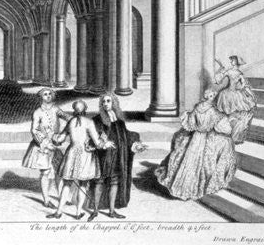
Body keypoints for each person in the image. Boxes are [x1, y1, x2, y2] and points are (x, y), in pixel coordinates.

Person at [154, 89, 237, 200]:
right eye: (213, 96)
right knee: (205, 160)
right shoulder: (213, 111)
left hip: (195, 137)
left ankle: (182, 186)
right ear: (211, 97)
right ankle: (194, 188)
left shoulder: (198, 108)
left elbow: (190, 123)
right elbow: (223, 127)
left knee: (189, 161)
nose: (213, 97)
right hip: (205, 137)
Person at [89, 91, 145, 220]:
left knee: (114, 182)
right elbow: (94, 136)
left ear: (114, 103)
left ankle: (112, 210)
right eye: (103, 102)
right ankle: (96, 210)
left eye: (108, 101)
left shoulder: (119, 120)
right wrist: (103, 142)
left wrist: (135, 144)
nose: (105, 104)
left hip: (117, 156)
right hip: (103, 156)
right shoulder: (97, 120)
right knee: (99, 182)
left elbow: (125, 135)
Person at [48, 99, 106, 220]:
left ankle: (59, 212)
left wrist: (54, 138)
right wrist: (104, 141)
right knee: (83, 184)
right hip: (85, 155)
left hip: (71, 154)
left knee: (67, 184)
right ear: (85, 110)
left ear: (74, 111)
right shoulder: (89, 122)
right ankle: (78, 213)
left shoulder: (71, 121)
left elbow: (61, 138)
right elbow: (97, 142)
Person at [22, 88, 69, 209]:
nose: (48, 96)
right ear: (41, 97)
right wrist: (45, 143)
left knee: (60, 171)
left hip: (55, 144)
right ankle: (47, 200)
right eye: (45, 94)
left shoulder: (56, 109)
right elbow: (34, 130)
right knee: (45, 172)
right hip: (42, 147)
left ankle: (62, 197)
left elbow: (67, 117)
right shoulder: (37, 112)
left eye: (49, 94)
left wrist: (70, 126)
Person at [214, 54, 257, 143]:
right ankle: (229, 133)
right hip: (231, 94)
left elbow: (218, 80)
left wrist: (221, 67)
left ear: (236, 62)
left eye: (232, 60)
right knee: (230, 115)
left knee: (232, 115)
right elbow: (243, 85)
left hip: (230, 94)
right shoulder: (237, 73)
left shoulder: (231, 72)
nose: (230, 61)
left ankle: (232, 134)